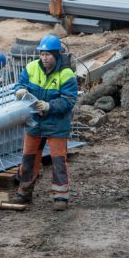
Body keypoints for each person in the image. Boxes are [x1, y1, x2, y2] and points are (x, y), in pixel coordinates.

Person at [10, 35, 78, 211]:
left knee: (58, 161)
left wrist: (49, 105)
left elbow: (69, 100)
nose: (44, 58)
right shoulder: (32, 68)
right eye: (41, 54)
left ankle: (60, 197)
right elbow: (19, 84)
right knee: (28, 159)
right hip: (35, 122)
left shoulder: (66, 73)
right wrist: (19, 91)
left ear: (56, 55)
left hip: (57, 123)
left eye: (47, 54)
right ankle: (24, 193)